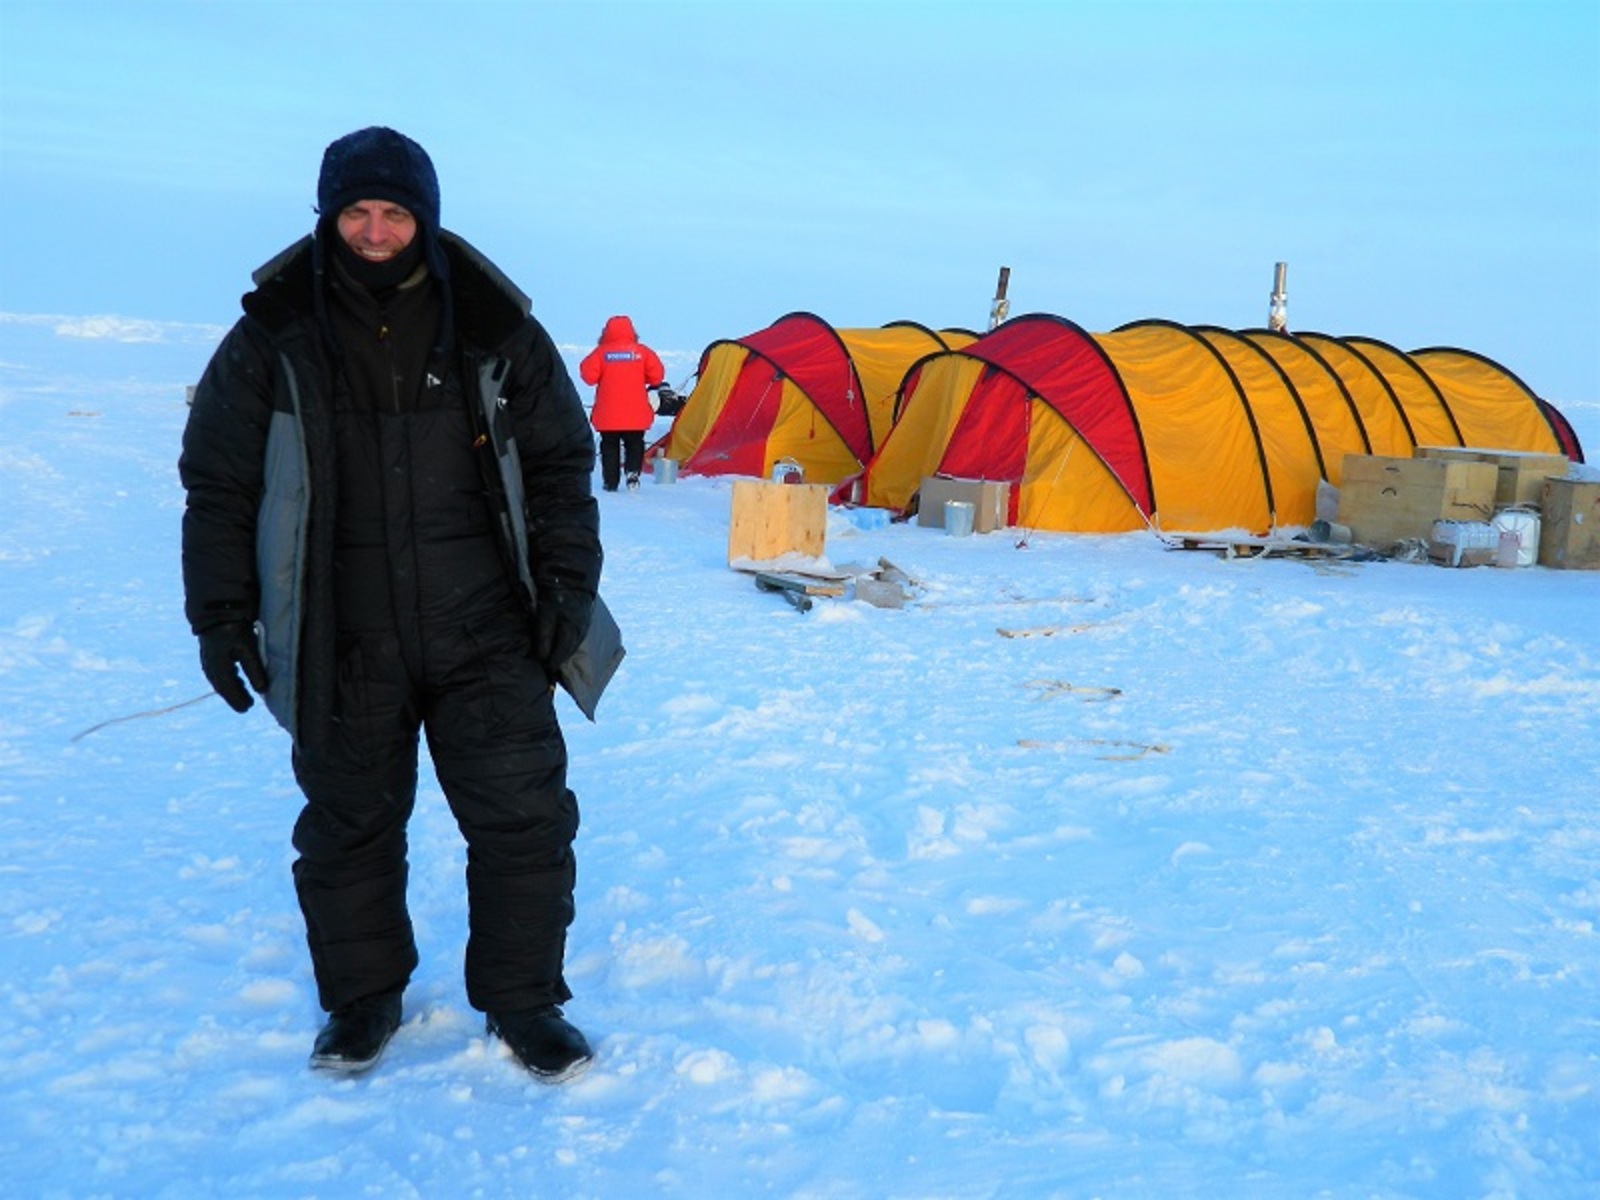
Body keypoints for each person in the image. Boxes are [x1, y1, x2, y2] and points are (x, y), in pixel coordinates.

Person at [179, 126, 603, 1082]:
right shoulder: (274, 334)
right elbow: (218, 485)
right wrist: (220, 616)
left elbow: (560, 467)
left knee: (523, 819)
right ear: (329, 218)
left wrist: (570, 588)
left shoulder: (496, 328)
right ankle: (363, 1001)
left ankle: (526, 1001)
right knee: (348, 825)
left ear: (426, 217)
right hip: (341, 630)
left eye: (395, 212)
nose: (375, 230)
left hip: (486, 625)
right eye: (357, 212)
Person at [580, 315, 664, 491]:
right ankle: (632, 473)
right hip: (635, 412)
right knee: (635, 443)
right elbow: (657, 377)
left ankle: (610, 482)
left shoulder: (601, 353)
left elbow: (588, 377)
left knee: (609, 445)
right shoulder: (642, 352)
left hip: (608, 413)